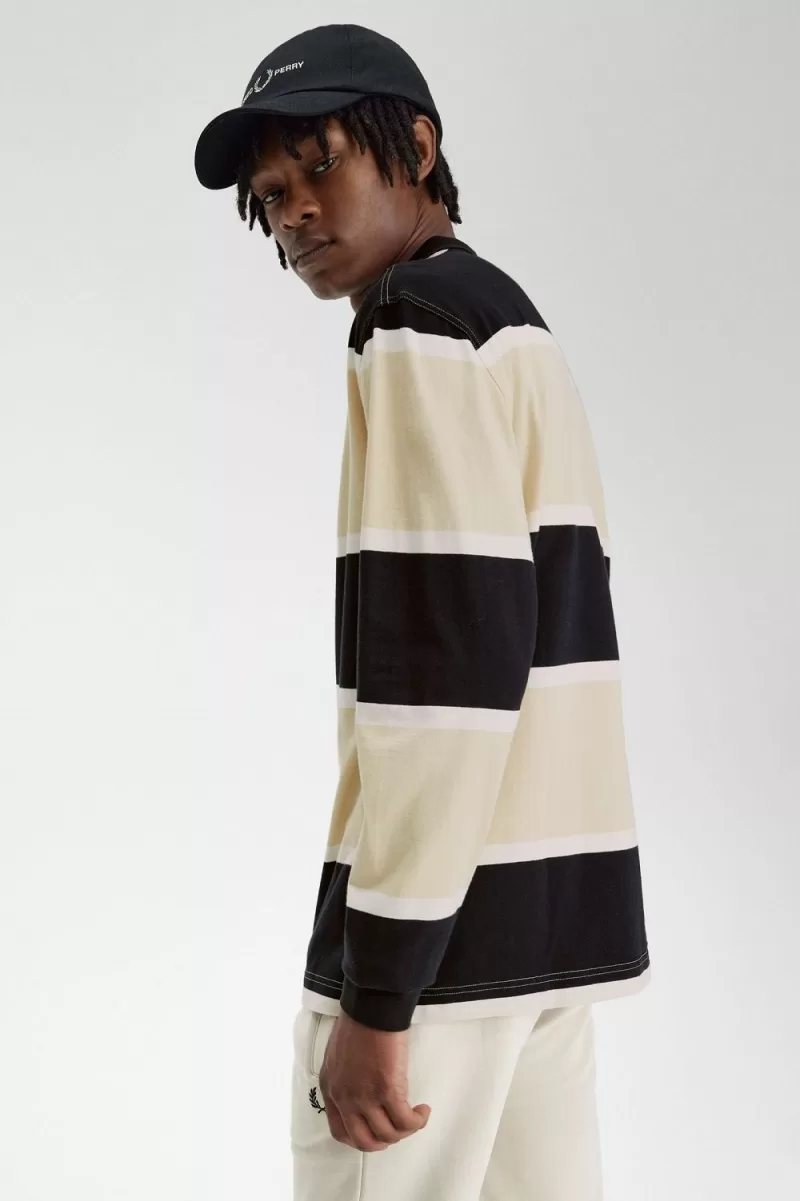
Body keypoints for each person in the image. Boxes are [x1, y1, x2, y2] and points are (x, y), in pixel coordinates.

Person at [194, 22, 652, 1200]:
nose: (295, 210)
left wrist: (378, 990)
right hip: (541, 931)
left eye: (319, 164)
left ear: (418, 145)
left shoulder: (413, 324)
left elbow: (448, 677)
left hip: (438, 955)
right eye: (270, 195)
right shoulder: (504, 320)